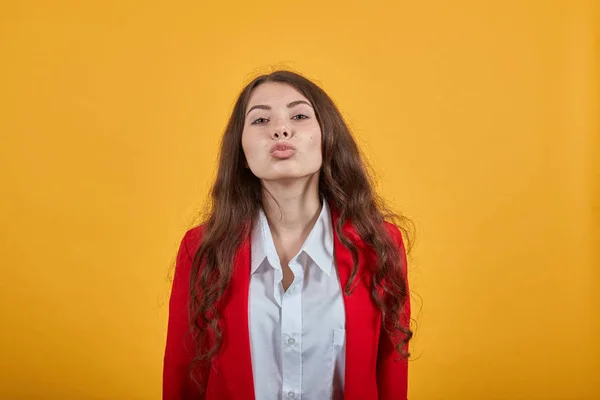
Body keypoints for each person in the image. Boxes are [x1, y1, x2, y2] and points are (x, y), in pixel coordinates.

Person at [163, 70, 413, 400]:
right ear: (241, 152)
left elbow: (391, 374)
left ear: (328, 137)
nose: (281, 129)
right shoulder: (201, 249)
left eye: (298, 115)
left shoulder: (379, 244)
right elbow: (183, 378)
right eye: (260, 120)